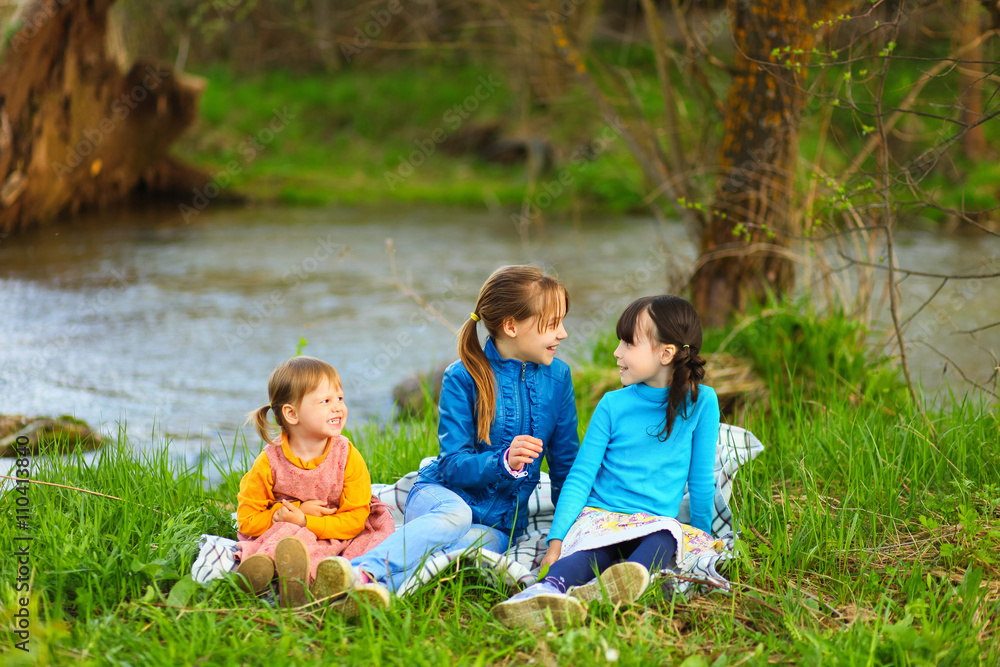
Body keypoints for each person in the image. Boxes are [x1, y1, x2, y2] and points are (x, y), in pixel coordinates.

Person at [493, 295, 720, 629]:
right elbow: (581, 477)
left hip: (654, 524)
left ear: (666, 353)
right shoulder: (612, 405)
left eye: (628, 343)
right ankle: (542, 591)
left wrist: (702, 536)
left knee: (667, 537)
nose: (617, 352)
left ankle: (618, 585)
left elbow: (701, 482)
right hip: (600, 518)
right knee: (588, 554)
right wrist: (556, 545)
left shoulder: (702, 403)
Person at [349, 265, 580, 592]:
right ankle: (358, 569)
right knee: (455, 517)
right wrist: (504, 462)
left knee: (460, 553)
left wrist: (567, 534)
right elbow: (453, 465)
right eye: (552, 324)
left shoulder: (559, 379)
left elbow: (566, 466)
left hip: (499, 527)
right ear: (511, 326)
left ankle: (366, 589)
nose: (563, 333)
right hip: (441, 498)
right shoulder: (462, 377)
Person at [234, 356, 395, 612]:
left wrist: (307, 521)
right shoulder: (269, 462)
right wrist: (284, 517)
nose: (338, 408)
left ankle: (307, 583)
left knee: (363, 546)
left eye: (340, 398)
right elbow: (247, 519)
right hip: (289, 532)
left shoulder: (347, 455)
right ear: (292, 413)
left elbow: (354, 519)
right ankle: (263, 570)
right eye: (326, 401)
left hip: (339, 529)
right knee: (289, 536)